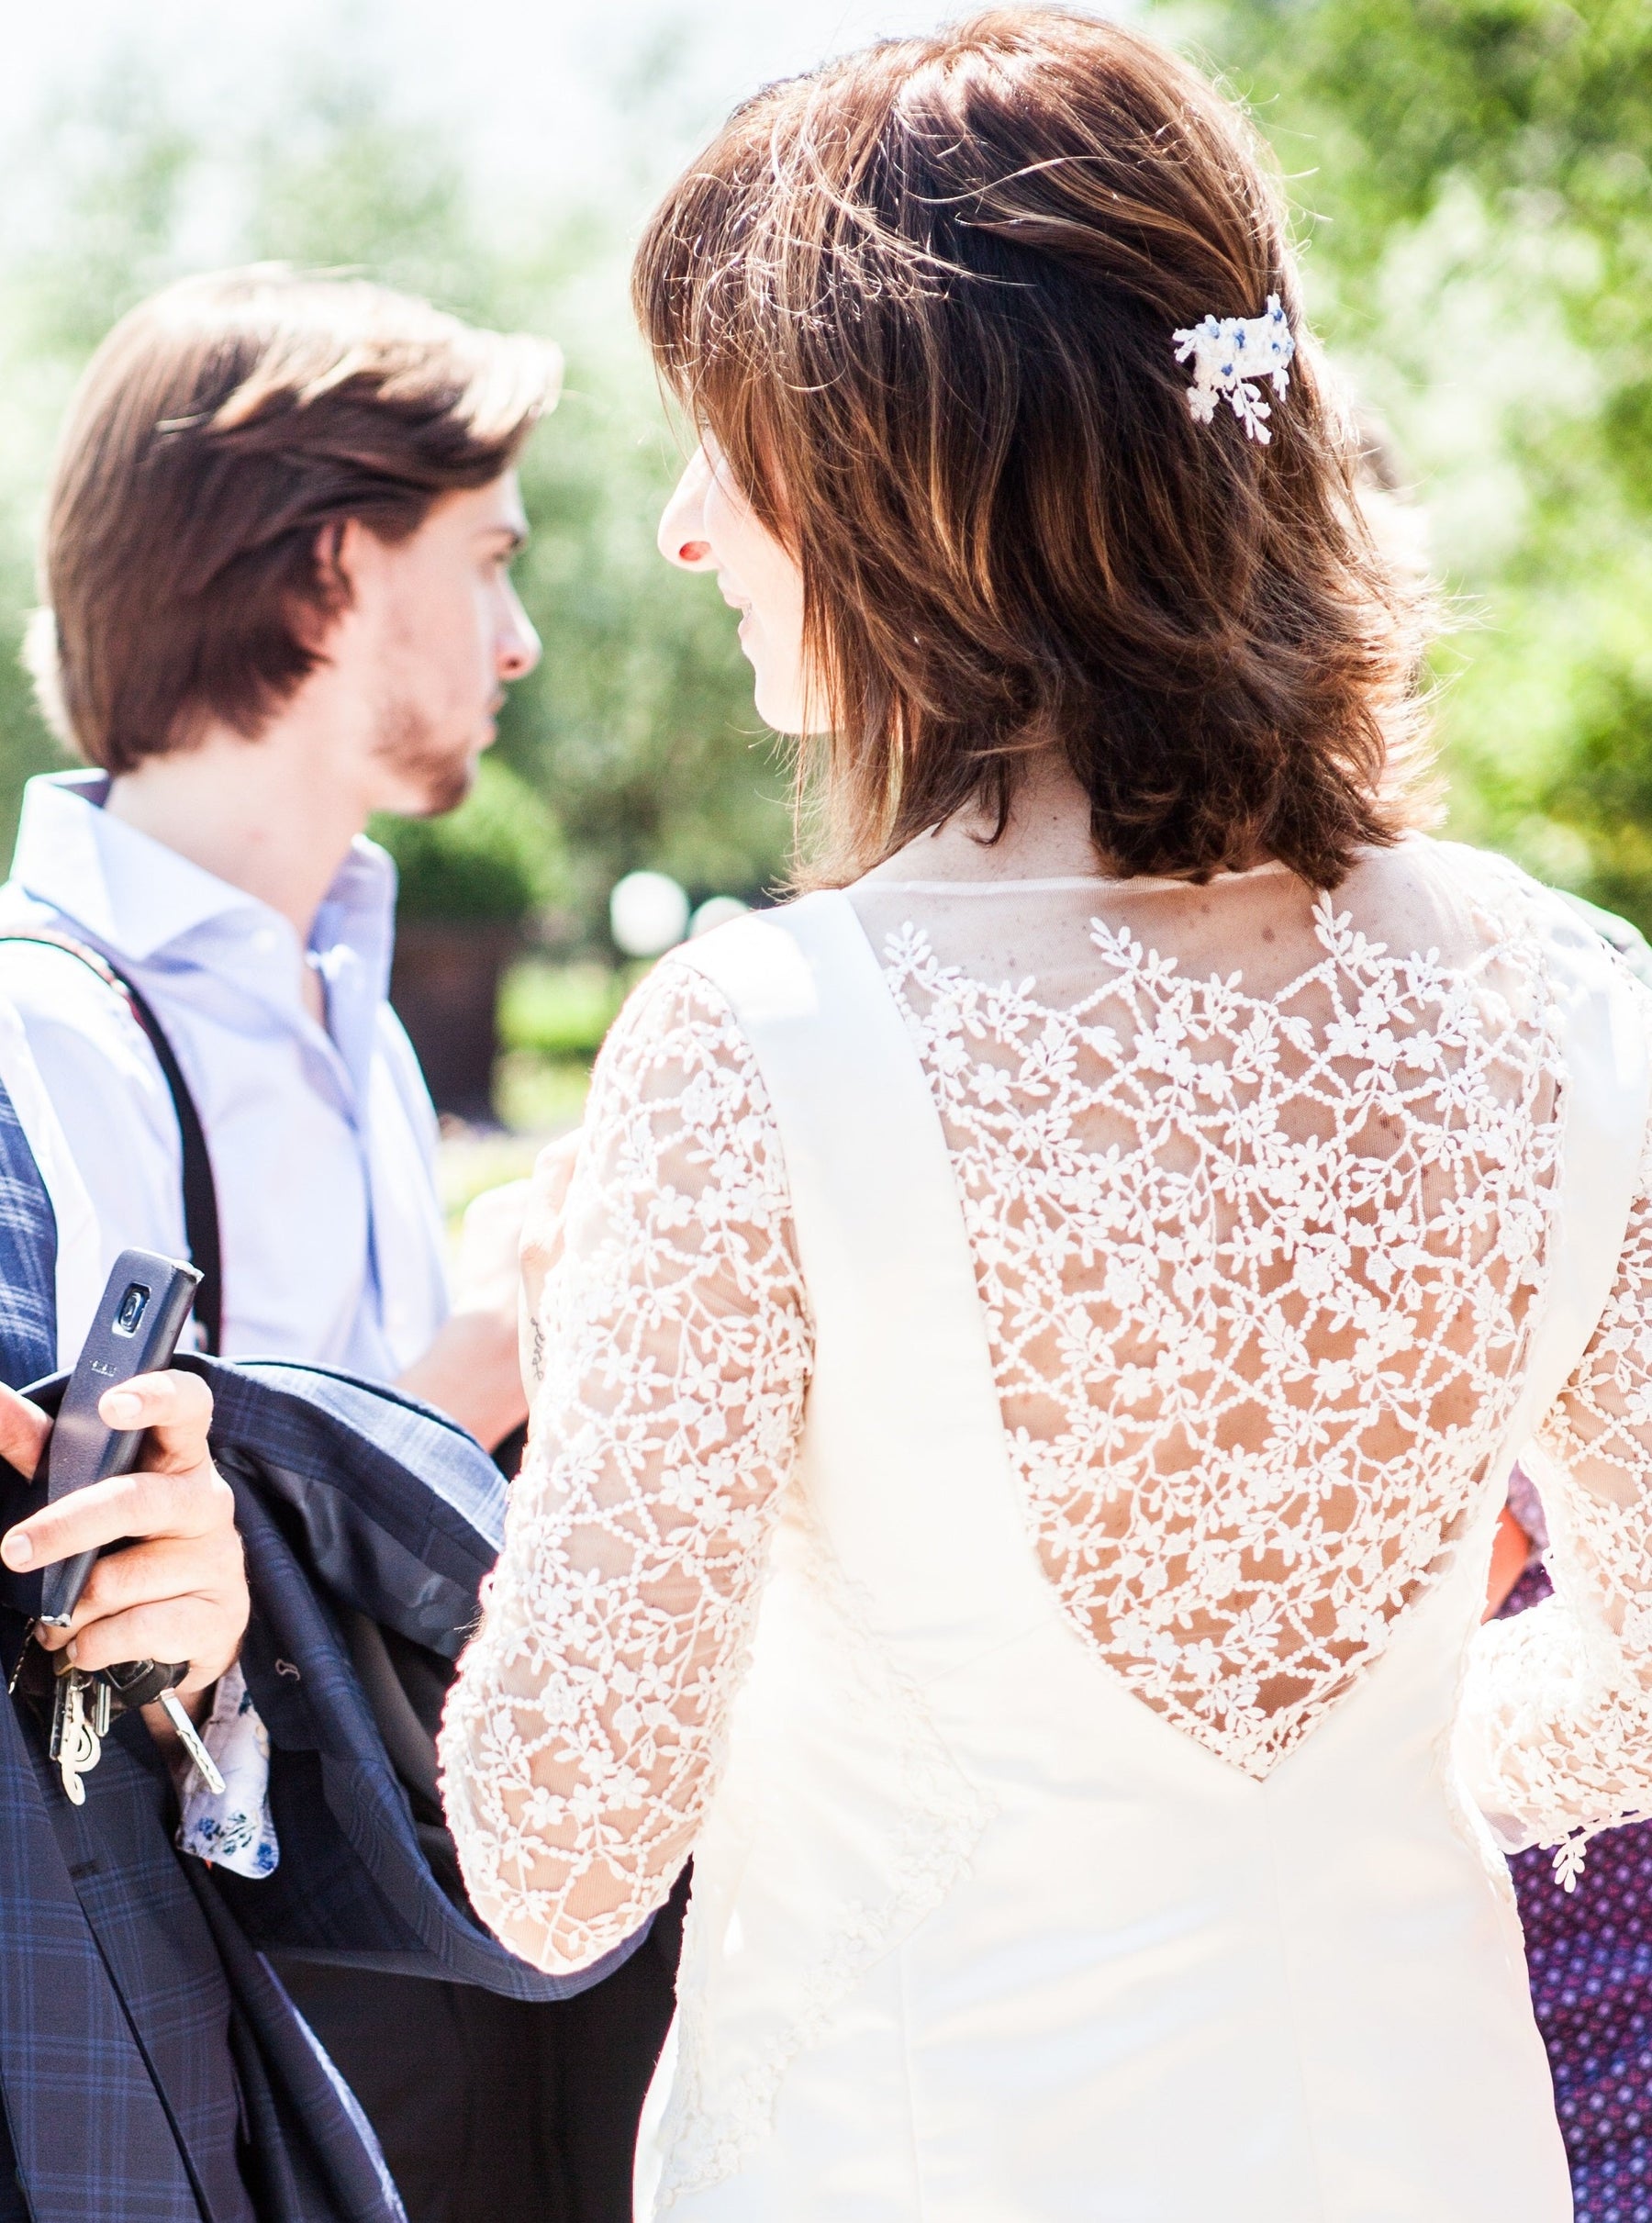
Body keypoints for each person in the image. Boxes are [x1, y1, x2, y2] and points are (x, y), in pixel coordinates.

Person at [440, 13, 1652, 2218]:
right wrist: (1361, 1777)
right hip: (1424, 2131)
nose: (686, 529)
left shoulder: (765, 1043)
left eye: (727, 448)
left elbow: (552, 1852)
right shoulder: (1573, 999)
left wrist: (565, 1323)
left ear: (915, 482)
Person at [0, 270, 678, 2223]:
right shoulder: (46, 1030)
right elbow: (79, 1608)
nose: (524, 637)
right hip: (248, 2021)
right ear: (325, 577)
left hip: (444, 1951)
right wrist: (495, 1352)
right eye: (486, 560)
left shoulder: (349, 1001)